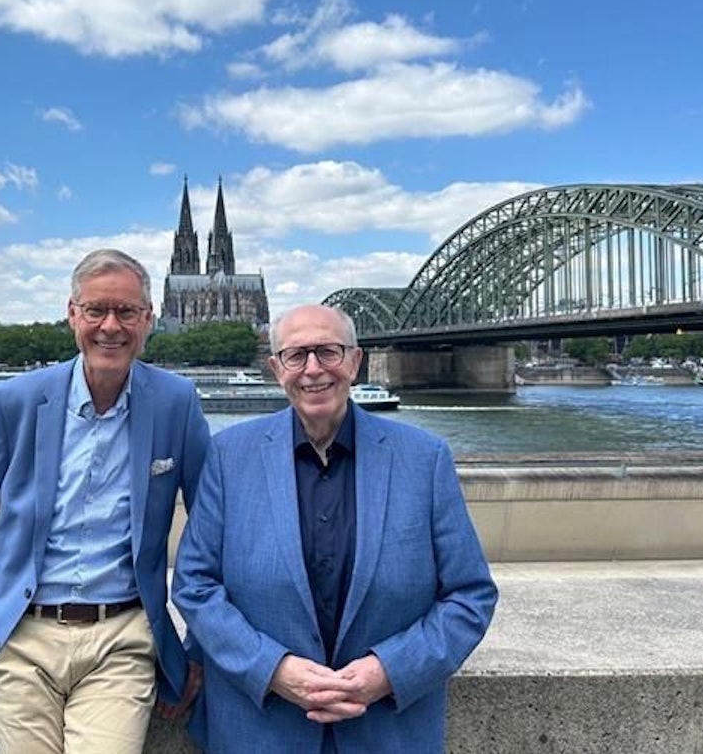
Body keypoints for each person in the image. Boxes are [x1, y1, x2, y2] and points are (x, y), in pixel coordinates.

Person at [0, 249, 210, 753]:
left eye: (126, 312)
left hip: (123, 639)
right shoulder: (13, 402)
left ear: (148, 319)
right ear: (72, 314)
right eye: (96, 310)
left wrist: (200, 647)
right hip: (21, 639)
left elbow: (212, 531)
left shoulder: (176, 402)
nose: (110, 326)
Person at [173, 304, 497, 754]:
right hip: (260, 731)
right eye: (296, 355)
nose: (313, 369)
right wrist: (272, 669)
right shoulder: (229, 456)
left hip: (386, 732)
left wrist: (389, 671)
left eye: (328, 352)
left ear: (355, 361)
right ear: (275, 369)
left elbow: (469, 595)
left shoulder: (425, 458)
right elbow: (195, 585)